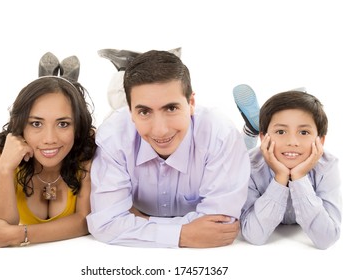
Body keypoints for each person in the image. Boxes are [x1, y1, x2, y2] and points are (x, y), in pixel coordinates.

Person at [87, 50, 250, 248]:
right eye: (144, 111)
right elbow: (106, 224)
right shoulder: (113, 136)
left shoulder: (220, 134)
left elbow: (220, 226)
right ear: (130, 112)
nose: (160, 130)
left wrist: (137, 221)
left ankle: (250, 134)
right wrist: (183, 234)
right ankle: (128, 65)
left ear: (191, 103)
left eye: (171, 108)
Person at [0, 52, 97, 247]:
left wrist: (21, 235)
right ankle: (62, 83)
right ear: (20, 124)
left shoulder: (86, 145)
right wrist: (5, 168)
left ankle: (65, 85)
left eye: (63, 124)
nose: (49, 139)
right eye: (35, 123)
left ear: (77, 127)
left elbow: (85, 220)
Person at [240, 90, 342, 249]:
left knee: (299, 109)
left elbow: (327, 238)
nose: (292, 142)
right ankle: (248, 133)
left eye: (304, 132)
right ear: (263, 137)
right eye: (281, 132)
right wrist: (280, 177)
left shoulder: (327, 166)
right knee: (235, 153)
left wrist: (299, 177)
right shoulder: (249, 165)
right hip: (247, 155)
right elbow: (254, 235)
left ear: (320, 141)